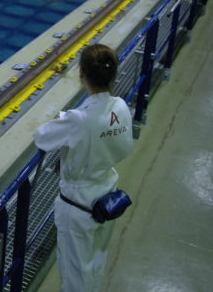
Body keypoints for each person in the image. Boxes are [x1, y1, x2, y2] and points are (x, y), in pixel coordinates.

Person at [34, 43, 133, 292]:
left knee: (75, 275)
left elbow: (42, 138)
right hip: (107, 194)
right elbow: (121, 145)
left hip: (78, 207)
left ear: (82, 75)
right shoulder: (120, 105)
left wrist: (64, 118)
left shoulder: (78, 118)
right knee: (95, 263)